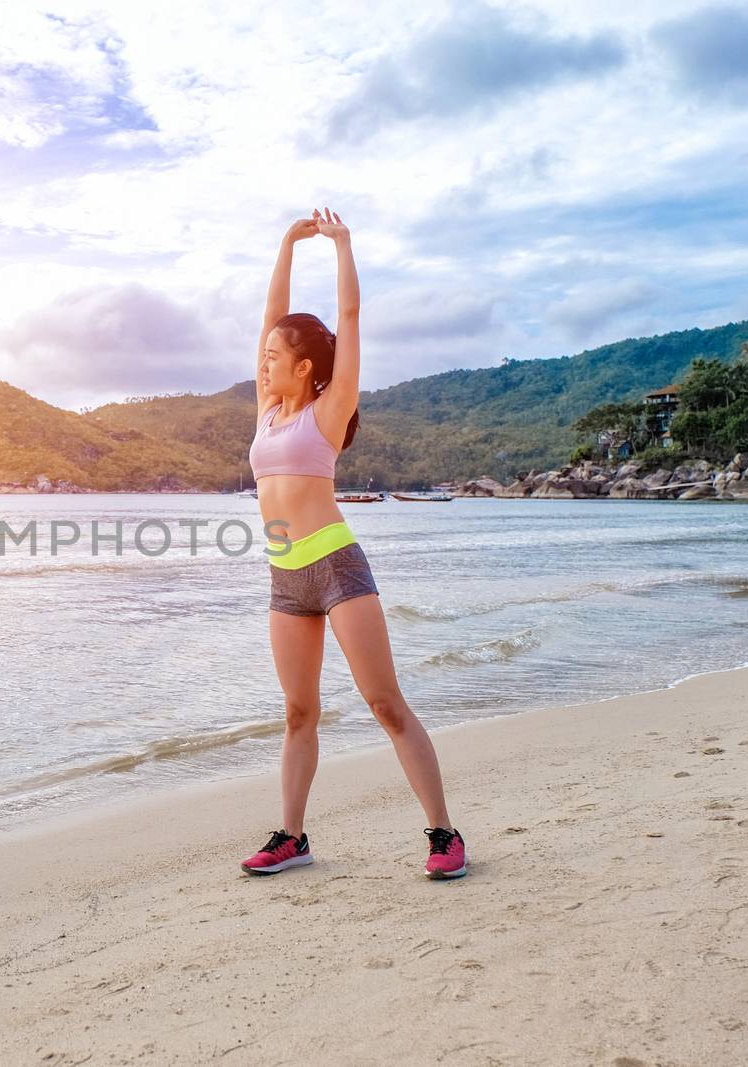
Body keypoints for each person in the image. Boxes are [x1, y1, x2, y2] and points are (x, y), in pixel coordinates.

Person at [238, 207, 467, 880]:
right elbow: (269, 318)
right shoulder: (268, 408)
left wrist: (341, 246)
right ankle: (292, 836)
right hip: (286, 578)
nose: (265, 361)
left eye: (277, 357)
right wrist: (285, 243)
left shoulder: (327, 410)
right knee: (298, 710)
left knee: (385, 703)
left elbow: (352, 317)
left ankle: (444, 833)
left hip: (336, 567)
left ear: (306, 367)